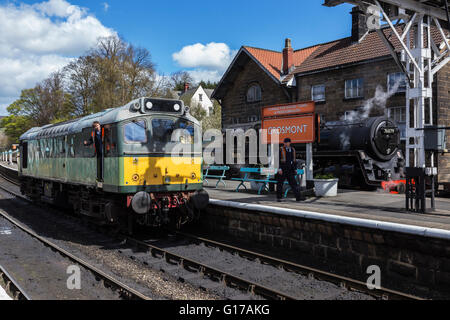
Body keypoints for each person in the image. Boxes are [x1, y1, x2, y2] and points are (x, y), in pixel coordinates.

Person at [277, 138, 304, 202]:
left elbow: (293, 161)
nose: (286, 144)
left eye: (287, 142)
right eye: (285, 142)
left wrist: (295, 169)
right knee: (280, 183)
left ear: (290, 143)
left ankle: (298, 197)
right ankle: (279, 198)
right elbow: (277, 160)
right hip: (282, 169)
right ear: (283, 143)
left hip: (290, 170)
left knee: (294, 184)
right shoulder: (281, 149)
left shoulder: (292, 150)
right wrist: (279, 169)